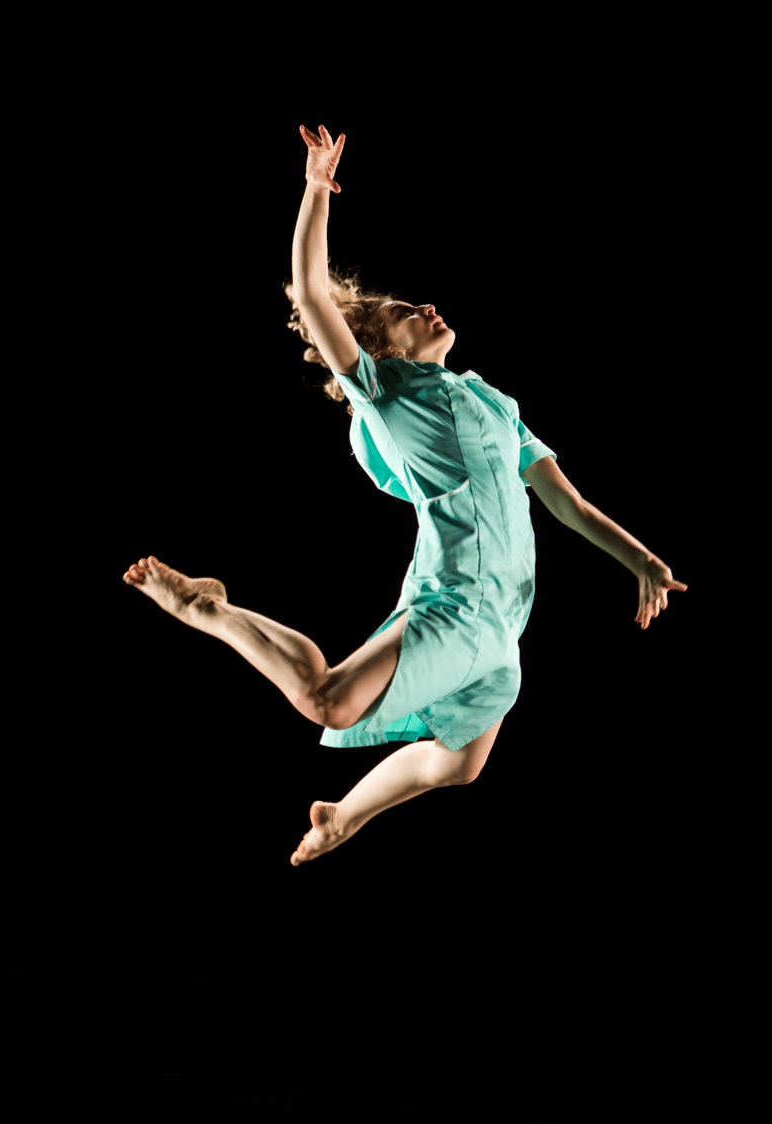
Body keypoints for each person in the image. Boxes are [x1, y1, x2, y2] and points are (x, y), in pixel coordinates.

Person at [123, 123, 688, 867]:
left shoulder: (493, 403)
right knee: (328, 700)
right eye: (402, 310)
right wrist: (315, 191)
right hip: (453, 606)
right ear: (380, 346)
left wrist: (641, 559)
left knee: (461, 764)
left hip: (501, 629)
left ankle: (339, 815)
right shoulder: (385, 391)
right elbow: (311, 290)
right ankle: (207, 608)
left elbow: (566, 504)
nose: (425, 306)